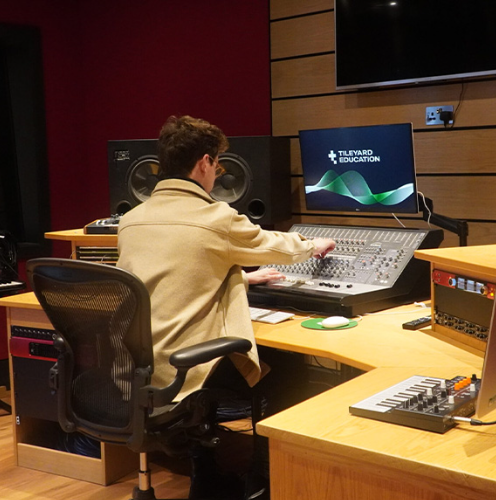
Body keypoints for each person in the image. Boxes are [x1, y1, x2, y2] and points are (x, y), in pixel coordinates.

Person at [116, 115, 335, 499]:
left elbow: (165, 275)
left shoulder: (132, 220)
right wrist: (313, 244)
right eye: (217, 165)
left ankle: (208, 473)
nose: (216, 174)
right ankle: (264, 481)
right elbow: (271, 244)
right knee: (284, 368)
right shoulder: (215, 217)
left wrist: (242, 280)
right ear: (204, 162)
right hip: (182, 369)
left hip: (135, 367)